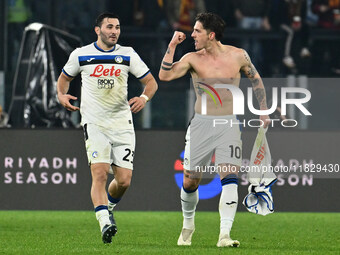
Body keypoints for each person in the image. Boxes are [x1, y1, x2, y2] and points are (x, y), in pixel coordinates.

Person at [159, 12, 270, 247]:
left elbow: (256, 78)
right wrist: (171, 46)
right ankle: (188, 226)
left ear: (211, 35)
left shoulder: (238, 55)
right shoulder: (192, 58)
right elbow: (164, 75)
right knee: (190, 182)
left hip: (229, 124)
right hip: (201, 124)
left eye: (197, 31)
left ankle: (224, 235)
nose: (192, 35)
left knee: (230, 177)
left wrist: (264, 110)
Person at [57, 12, 158, 244]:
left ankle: (109, 207)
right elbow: (63, 79)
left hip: (122, 123)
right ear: (98, 30)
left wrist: (143, 98)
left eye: (118, 27)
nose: (114, 31)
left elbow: (151, 82)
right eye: (110, 27)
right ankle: (104, 222)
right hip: (94, 122)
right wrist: (61, 95)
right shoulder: (81, 54)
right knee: (100, 172)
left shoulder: (127, 54)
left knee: (124, 181)